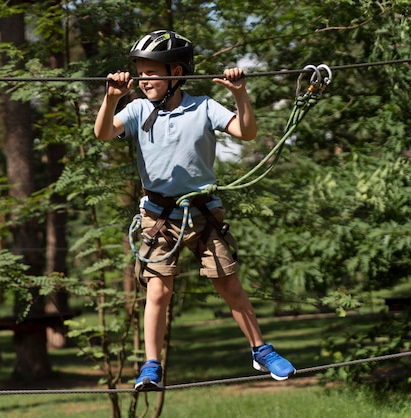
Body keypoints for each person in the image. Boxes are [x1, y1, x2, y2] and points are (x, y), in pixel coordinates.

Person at [94, 29, 296, 391]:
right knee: (158, 290)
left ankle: (260, 350)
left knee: (228, 284)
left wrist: (240, 95)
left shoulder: (203, 105)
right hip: (157, 214)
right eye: (140, 73)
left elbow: (246, 133)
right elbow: (104, 133)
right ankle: (151, 366)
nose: (143, 80)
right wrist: (111, 98)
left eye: (151, 72)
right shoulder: (137, 108)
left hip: (202, 212)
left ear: (175, 73)